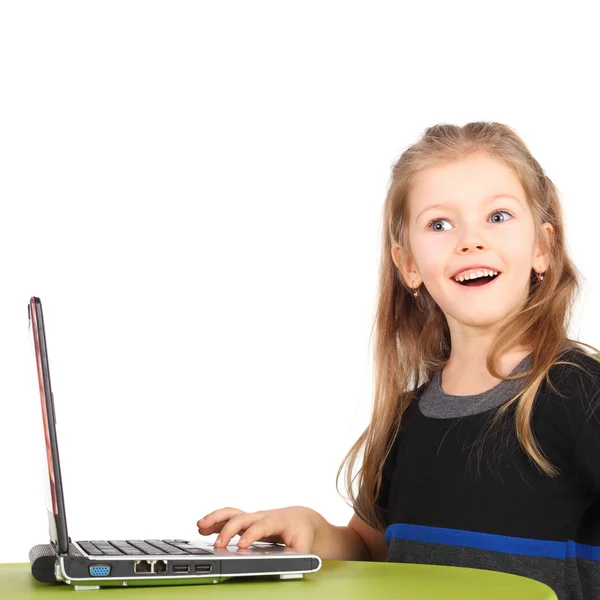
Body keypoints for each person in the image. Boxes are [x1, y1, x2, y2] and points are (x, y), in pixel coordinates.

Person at [197, 122, 600, 600]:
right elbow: (373, 551)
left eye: (498, 216)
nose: (470, 240)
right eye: (440, 224)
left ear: (543, 248)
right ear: (408, 264)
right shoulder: (407, 417)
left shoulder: (579, 392)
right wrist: (313, 530)